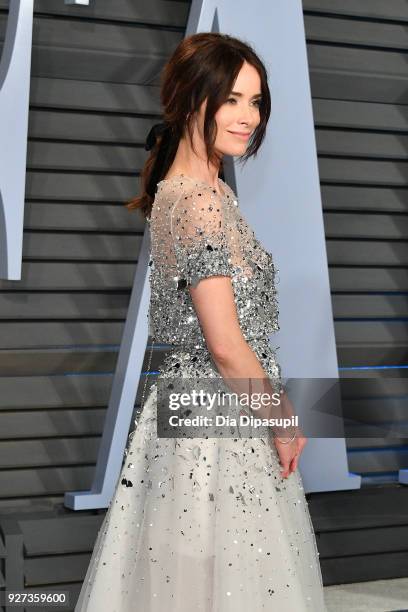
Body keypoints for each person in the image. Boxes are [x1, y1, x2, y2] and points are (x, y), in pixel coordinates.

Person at [74, 32, 327, 611]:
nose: (247, 117)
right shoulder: (200, 201)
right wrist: (282, 419)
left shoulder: (192, 189)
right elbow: (226, 344)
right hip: (217, 420)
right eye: (232, 99)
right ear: (192, 99)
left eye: (256, 101)